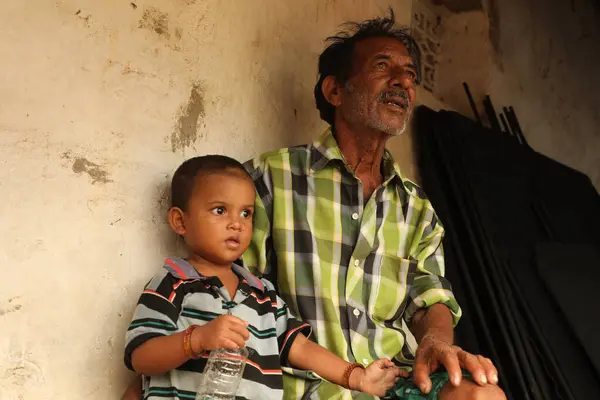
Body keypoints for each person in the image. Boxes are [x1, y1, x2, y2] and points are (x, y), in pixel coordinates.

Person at [123, 155, 406, 400]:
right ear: (180, 221)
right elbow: (140, 355)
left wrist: (355, 376)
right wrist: (196, 340)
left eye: (246, 213)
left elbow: (301, 348)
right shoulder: (173, 283)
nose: (236, 223)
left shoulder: (262, 294)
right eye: (220, 210)